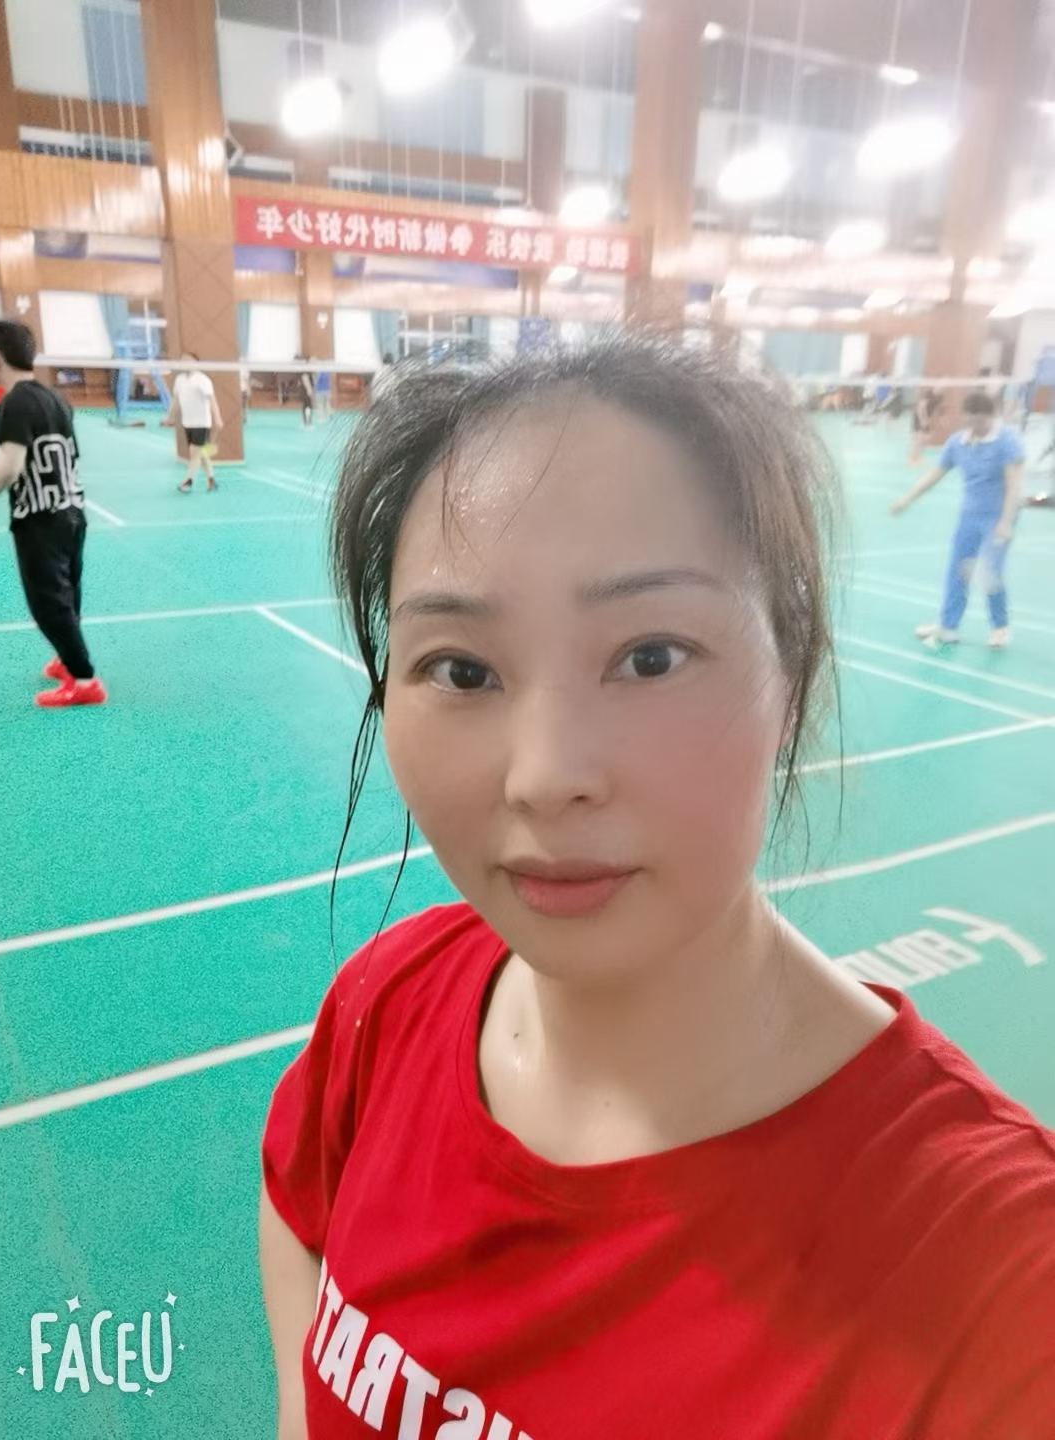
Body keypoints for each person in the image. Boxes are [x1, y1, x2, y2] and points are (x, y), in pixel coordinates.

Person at [259, 336, 1055, 1440]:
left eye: (650, 657)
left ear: (792, 677)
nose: (546, 778)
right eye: (462, 669)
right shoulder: (388, 999)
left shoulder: (994, 1278)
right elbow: (296, 1209)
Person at [0, 319, 106, 707]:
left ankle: (84, 681)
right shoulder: (55, 398)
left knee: (48, 603)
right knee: (67, 592)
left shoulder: (16, 401)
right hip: (72, 512)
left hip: (41, 519)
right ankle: (67, 659)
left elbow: (10, 463)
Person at [891, 389, 1024, 649]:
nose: (976, 428)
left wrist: (1006, 523)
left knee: (990, 572)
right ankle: (948, 626)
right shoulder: (957, 443)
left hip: (998, 515)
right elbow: (934, 475)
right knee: (957, 570)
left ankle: (1000, 627)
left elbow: (1014, 486)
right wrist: (906, 500)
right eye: (970, 421)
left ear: (991, 417)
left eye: (981, 422)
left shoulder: (1007, 441)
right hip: (969, 515)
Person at [162, 351, 222, 492]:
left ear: (196, 363)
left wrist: (217, 418)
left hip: (201, 423)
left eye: (188, 360)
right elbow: (176, 401)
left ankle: (188, 481)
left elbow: (212, 401)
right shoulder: (180, 379)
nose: (184, 363)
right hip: (187, 422)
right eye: (182, 360)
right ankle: (212, 480)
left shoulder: (203, 380)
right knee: (202, 454)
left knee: (194, 454)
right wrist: (169, 418)